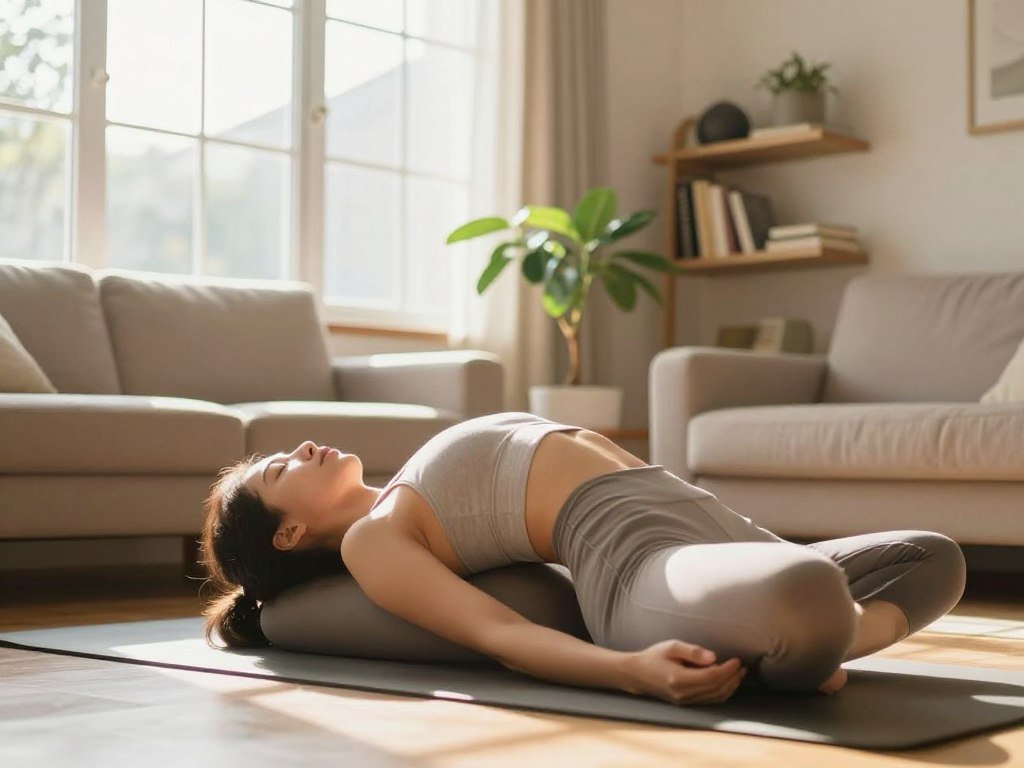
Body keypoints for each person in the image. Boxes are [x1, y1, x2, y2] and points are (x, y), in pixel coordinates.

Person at [200, 411, 967, 706]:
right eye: (281, 471)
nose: (301, 448)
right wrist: (633, 671)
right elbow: (500, 635)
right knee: (809, 589)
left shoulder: (400, 485)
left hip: (706, 519)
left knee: (935, 557)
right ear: (290, 535)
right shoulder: (375, 542)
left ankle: (818, 643)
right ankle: (809, 641)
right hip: (634, 562)